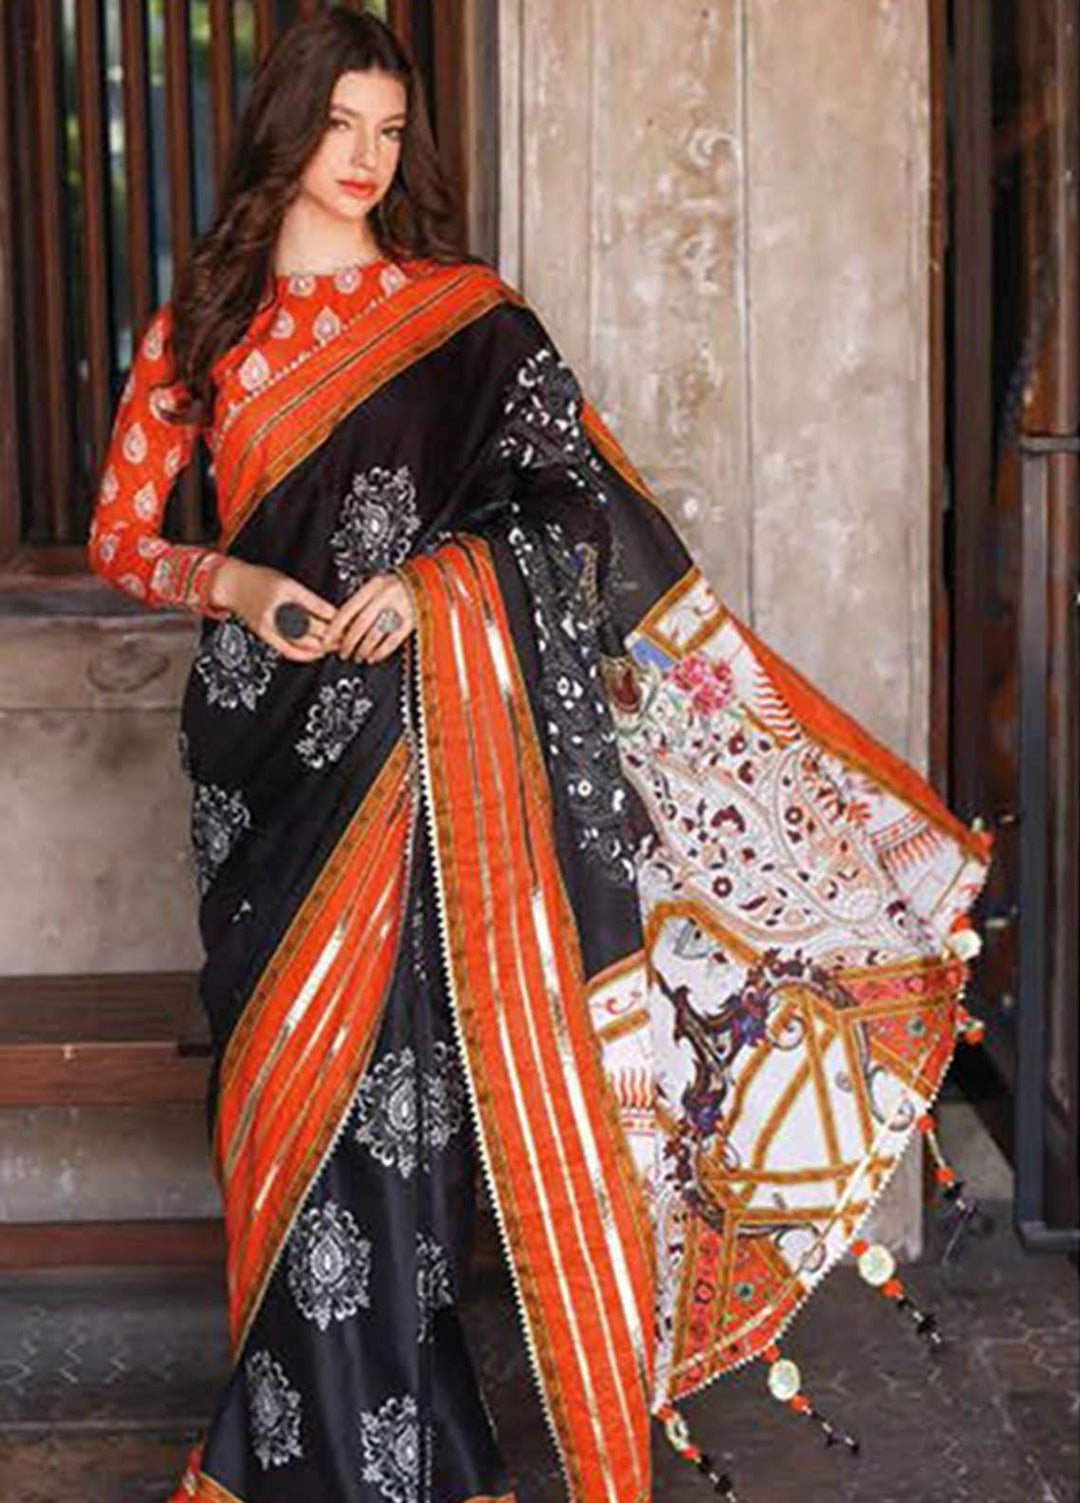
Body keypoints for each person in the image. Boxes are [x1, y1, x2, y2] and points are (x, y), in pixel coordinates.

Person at [86, 8, 992, 1502]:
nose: (366, 159)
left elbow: (576, 510)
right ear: (285, 127)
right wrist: (233, 581)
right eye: (341, 126)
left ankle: (386, 1462)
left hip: (424, 767)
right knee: (275, 1121)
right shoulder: (204, 328)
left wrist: (434, 588)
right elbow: (123, 537)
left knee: (402, 1122)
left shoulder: (464, 320)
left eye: (390, 131)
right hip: (264, 779)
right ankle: (307, 1450)